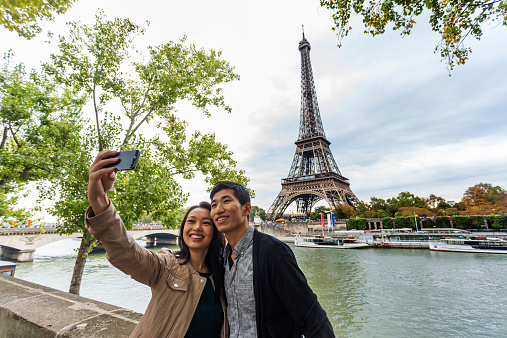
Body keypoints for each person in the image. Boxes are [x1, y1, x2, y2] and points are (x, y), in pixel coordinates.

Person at [86, 150, 228, 337]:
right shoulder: (165, 265)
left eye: (206, 223)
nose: (197, 227)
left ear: (216, 232)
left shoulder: (225, 274)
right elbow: (126, 250)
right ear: (183, 229)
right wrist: (99, 197)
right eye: (191, 221)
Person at [209, 181, 335, 337]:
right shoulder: (224, 258)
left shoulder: (273, 252)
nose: (218, 209)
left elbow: (311, 317)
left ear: (247, 209)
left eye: (226, 201)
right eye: (213, 205)